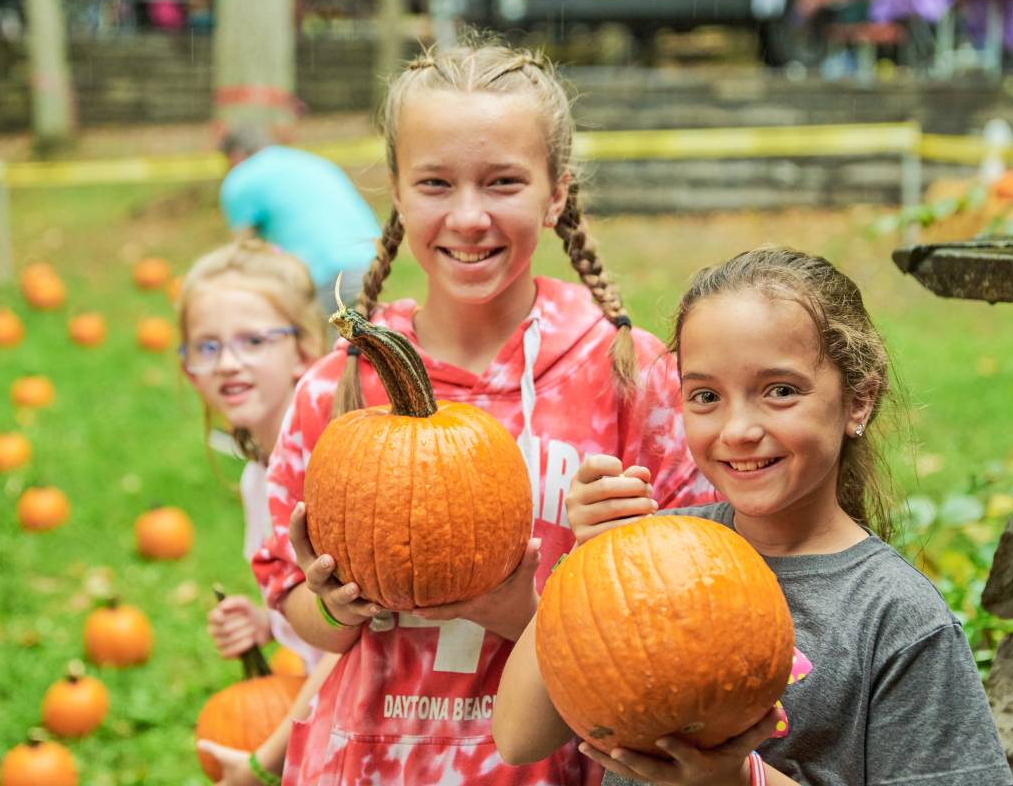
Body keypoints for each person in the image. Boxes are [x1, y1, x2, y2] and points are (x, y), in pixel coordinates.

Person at [251, 39, 716, 785]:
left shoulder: (630, 376)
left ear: (555, 193)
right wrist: (333, 605)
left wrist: (519, 609)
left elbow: (687, 619)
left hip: (557, 765)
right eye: (435, 183)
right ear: (397, 194)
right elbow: (295, 609)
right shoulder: (337, 387)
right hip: (364, 762)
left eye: (503, 182)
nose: (468, 217)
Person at [493, 246, 1013, 786]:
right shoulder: (652, 557)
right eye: (705, 395)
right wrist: (587, 559)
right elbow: (518, 736)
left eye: (780, 391)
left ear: (858, 399)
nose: (738, 428)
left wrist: (742, 781)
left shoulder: (896, 616)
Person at [175, 238, 338, 786]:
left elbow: (358, 642)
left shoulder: (332, 471)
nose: (229, 363)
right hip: (318, 716)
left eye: (252, 340)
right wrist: (269, 620)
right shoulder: (255, 479)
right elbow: (316, 612)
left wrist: (261, 761)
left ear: (302, 351)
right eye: (207, 347)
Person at [219, 124, 380, 315]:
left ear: (235, 155)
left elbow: (244, 249)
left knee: (326, 342)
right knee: (366, 339)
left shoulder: (241, 177)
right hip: (370, 261)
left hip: (321, 271)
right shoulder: (308, 160)